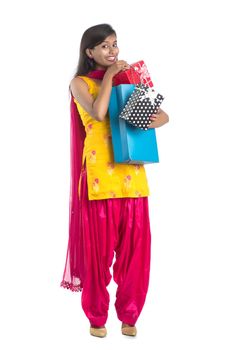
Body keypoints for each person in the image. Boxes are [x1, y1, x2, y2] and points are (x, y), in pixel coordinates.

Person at [60, 23, 169, 338]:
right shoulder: (79, 83)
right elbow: (98, 112)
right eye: (104, 46)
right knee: (97, 253)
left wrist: (154, 118)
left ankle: (130, 315)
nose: (112, 51)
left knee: (136, 253)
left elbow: (163, 116)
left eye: (115, 44)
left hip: (132, 177)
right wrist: (109, 77)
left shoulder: (129, 81)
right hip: (97, 182)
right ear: (89, 52)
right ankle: (96, 316)